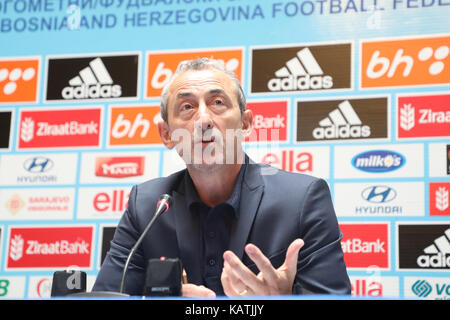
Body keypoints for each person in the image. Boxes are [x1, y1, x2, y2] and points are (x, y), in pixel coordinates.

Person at [92, 58, 351, 297]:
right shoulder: (147, 206)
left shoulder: (302, 199)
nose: (204, 119)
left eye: (218, 102)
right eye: (187, 106)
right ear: (166, 134)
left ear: (246, 124)